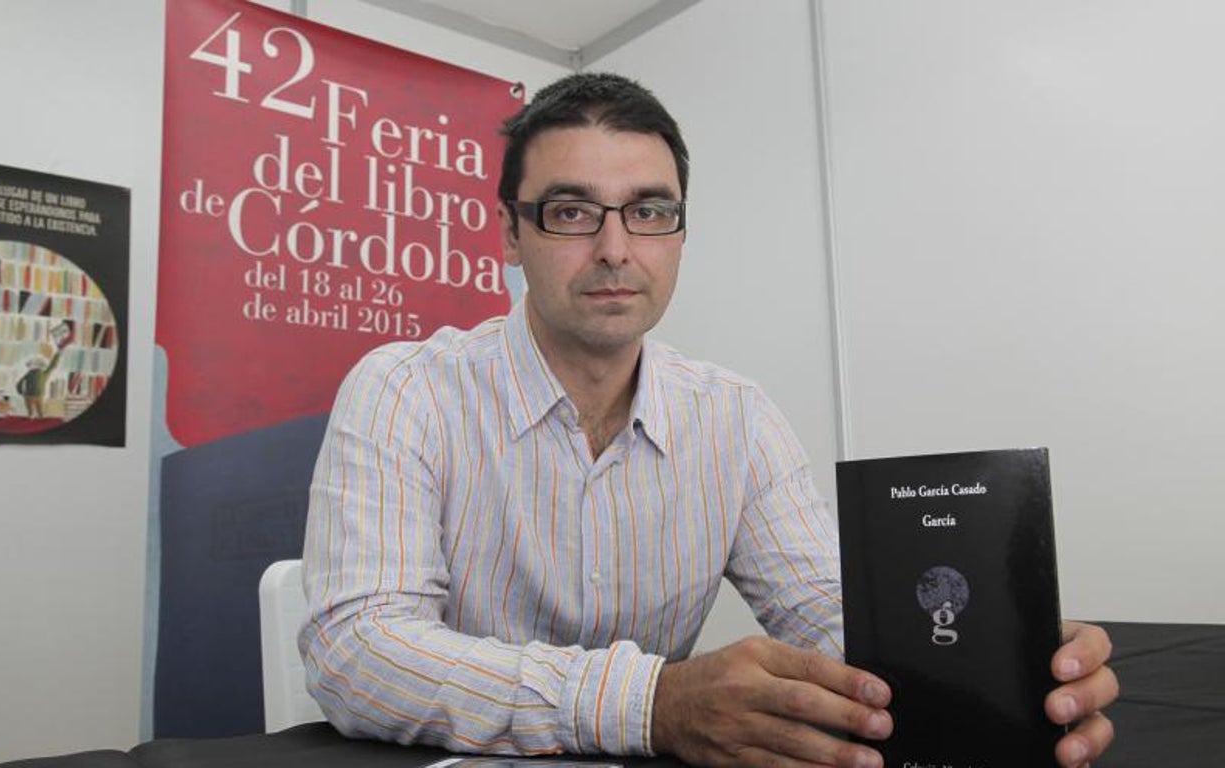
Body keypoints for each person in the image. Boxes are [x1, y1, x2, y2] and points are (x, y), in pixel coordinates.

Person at [300, 72, 1117, 768]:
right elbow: (356, 652)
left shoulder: (734, 416)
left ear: (680, 232)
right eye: (572, 212)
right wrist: (650, 701)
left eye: (649, 211)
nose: (617, 248)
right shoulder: (404, 390)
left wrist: (990, 660)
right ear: (511, 232)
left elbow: (830, 613)